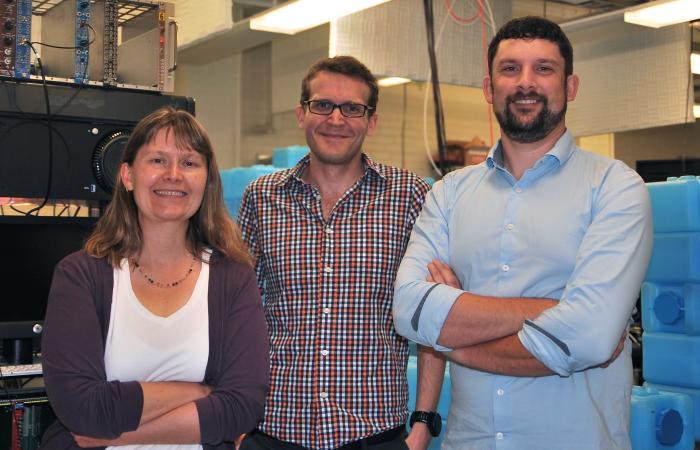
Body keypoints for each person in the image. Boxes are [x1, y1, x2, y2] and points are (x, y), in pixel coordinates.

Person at [393, 16, 653, 450]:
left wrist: (452, 341)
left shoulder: (616, 188)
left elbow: (586, 337)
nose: (526, 83)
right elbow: (410, 310)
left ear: (570, 87)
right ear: (489, 88)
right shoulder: (449, 193)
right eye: (510, 69)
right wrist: (557, 308)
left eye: (544, 69)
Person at [40, 106, 270, 449]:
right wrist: (199, 393)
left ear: (206, 181)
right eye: (158, 160)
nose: (174, 175)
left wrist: (112, 435)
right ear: (128, 176)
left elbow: (241, 407)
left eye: (189, 163)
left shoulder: (233, 278)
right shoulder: (81, 276)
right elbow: (82, 409)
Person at [237, 56, 434, 450]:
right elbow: (235, 312)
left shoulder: (410, 197)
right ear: (301, 113)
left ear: (371, 121)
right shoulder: (261, 198)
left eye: (353, 109)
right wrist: (236, 422)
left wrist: (423, 424)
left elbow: (431, 315)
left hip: (375, 434)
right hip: (273, 430)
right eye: (322, 105)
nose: (336, 119)